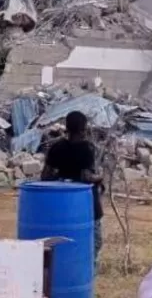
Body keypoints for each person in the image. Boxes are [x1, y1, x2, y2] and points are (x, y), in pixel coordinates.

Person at [41, 111, 105, 261]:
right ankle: (88, 272)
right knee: (94, 243)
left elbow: (45, 176)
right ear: (83, 129)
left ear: (67, 127)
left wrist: (62, 179)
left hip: (62, 205)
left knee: (64, 245)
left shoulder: (57, 147)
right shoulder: (87, 149)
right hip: (86, 204)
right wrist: (100, 177)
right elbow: (86, 177)